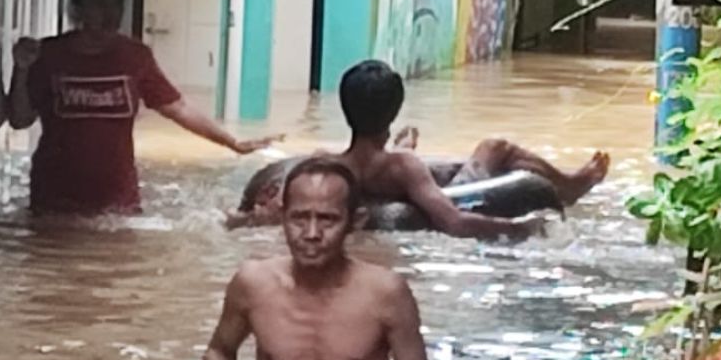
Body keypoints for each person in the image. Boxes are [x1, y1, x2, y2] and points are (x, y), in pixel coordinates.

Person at [5, 0, 279, 214]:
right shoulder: (49, 55)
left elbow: (178, 107)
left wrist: (232, 143)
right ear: (77, 8)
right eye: (99, 3)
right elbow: (19, 120)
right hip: (54, 201)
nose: (110, 13)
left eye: (117, 4)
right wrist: (21, 69)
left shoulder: (135, 57)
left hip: (118, 202)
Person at [229, 60, 610, 240]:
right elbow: (454, 221)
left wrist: (241, 219)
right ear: (395, 109)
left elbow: (273, 206)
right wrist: (520, 227)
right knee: (496, 148)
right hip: (408, 182)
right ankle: (570, 185)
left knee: (424, 159)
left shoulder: (325, 164)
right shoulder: (403, 168)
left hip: (377, 166)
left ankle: (397, 140)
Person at [203, 157, 437, 360]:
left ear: (356, 221)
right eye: (300, 218)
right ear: (282, 215)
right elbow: (219, 352)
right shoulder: (253, 284)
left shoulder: (385, 293)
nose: (312, 233)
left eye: (328, 219)